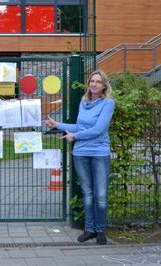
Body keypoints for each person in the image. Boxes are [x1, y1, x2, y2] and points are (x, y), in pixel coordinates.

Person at [43, 69, 115, 245]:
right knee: (88, 193)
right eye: (92, 81)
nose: (94, 84)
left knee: (101, 194)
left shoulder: (108, 103)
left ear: (104, 85)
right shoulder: (84, 102)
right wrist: (57, 125)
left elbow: (99, 129)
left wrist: (75, 137)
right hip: (81, 153)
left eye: (98, 81)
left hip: (99, 153)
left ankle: (100, 231)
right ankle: (89, 230)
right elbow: (79, 126)